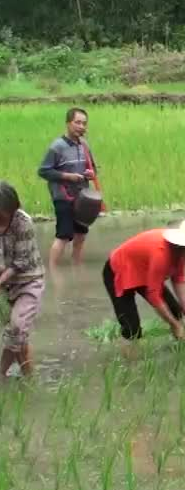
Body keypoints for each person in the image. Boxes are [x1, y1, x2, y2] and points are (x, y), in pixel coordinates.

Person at [103, 218, 185, 350]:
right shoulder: (161, 254)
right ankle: (130, 358)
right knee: (132, 329)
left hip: (145, 270)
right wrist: (173, 324)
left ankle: (180, 347)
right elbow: (153, 295)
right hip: (119, 269)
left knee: (177, 312)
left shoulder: (181, 251)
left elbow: (178, 278)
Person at [38, 107, 103, 268]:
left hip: (82, 198)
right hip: (63, 197)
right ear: (68, 123)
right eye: (77, 122)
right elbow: (44, 171)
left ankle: (76, 266)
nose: (81, 126)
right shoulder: (57, 146)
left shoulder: (85, 145)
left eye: (84, 123)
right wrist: (68, 177)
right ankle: (53, 270)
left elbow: (94, 169)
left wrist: (90, 173)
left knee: (81, 234)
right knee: (64, 235)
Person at [0, 182, 45, 378]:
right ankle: (29, 377)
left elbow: (21, 261)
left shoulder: (23, 221)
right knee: (19, 337)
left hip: (29, 282)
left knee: (17, 328)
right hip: (5, 284)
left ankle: (1, 373)